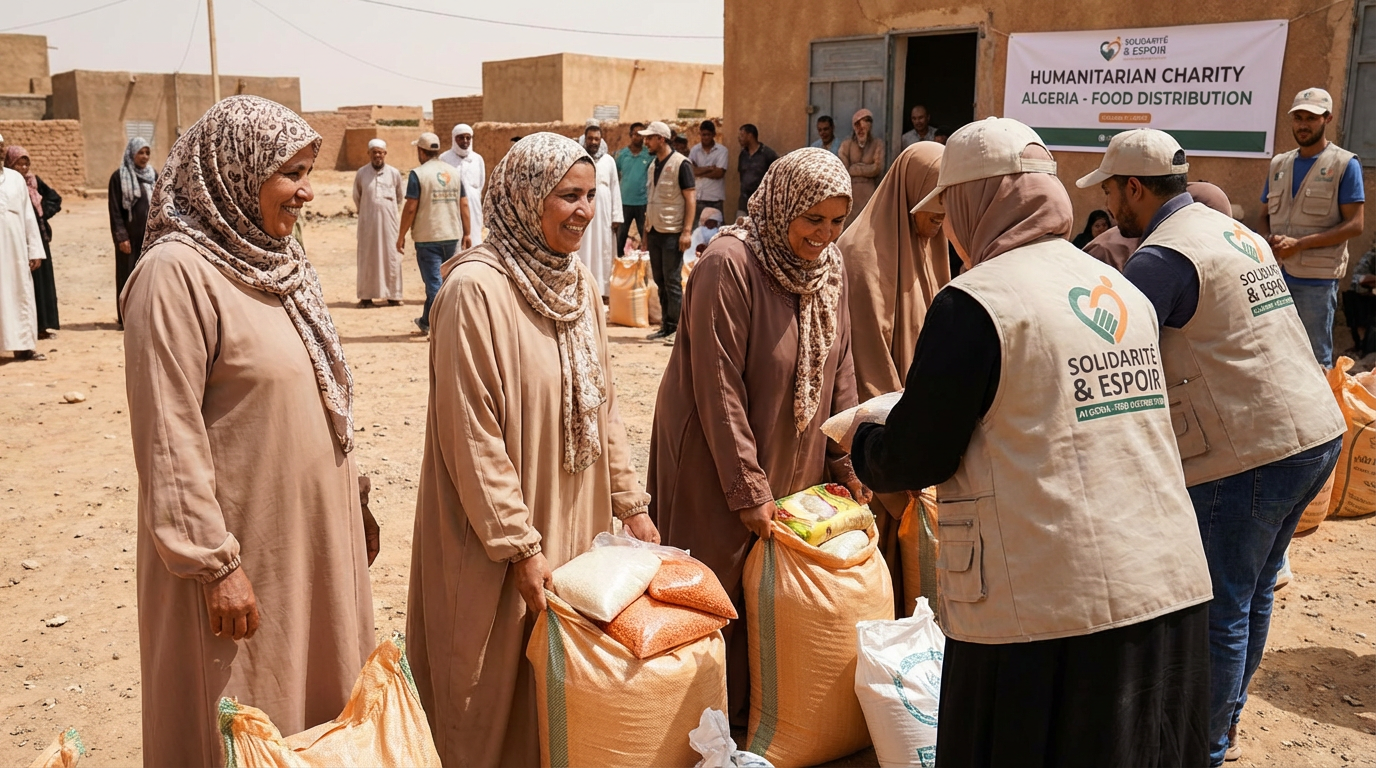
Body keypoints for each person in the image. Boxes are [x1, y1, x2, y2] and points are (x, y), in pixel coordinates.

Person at [851, 118, 1214, 766]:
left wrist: (865, 441)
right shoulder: (1116, 287)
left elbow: (918, 454)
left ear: (974, 202)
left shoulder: (976, 302)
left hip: (1046, 619)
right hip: (1166, 589)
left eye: (951, 212)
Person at [121, 95, 377, 767]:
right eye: (290, 174)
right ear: (234, 171)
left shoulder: (279, 265)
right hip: (241, 559)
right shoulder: (174, 276)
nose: (307, 192)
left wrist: (355, 497)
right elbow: (168, 437)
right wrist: (215, 563)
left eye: (307, 172)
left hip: (309, 544)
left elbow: (321, 389)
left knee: (315, 718)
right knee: (241, 716)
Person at [1079, 128, 1345, 768]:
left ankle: (1207, 747)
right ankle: (1223, 722)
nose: (1109, 202)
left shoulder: (1163, 258)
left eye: (1111, 189)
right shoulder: (1235, 233)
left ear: (1134, 188)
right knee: (1252, 594)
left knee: (1221, 607)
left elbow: (1116, 353)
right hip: (1313, 432)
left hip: (1249, 452)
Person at [405, 133, 656, 767]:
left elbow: (605, 403)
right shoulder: (474, 291)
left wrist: (630, 503)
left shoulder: (576, 284)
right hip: (494, 533)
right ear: (523, 199)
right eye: (567, 196)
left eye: (590, 195)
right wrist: (518, 544)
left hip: (576, 513)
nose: (584, 210)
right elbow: (472, 433)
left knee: (561, 680)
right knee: (487, 686)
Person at [649, 147, 869, 719]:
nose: (824, 233)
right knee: (717, 592)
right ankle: (711, 726)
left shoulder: (829, 269)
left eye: (836, 220)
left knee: (774, 595)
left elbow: (839, 366)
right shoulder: (730, 264)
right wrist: (748, 487)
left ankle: (768, 723)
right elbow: (717, 386)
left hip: (794, 461)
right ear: (781, 207)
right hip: (717, 463)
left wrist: (848, 460)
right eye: (812, 218)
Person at [835, 141, 949, 616]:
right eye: (936, 210)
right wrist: (902, 452)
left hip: (919, 431)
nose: (942, 221)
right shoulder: (863, 256)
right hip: (883, 438)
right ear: (912, 195)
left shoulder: (928, 244)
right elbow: (867, 366)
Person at [1258, 88, 1365, 368]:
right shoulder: (1278, 164)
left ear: (1327, 119)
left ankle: (1322, 412)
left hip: (1316, 281)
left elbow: (1356, 225)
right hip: (1275, 276)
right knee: (1275, 355)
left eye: (1311, 118)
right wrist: (1267, 240)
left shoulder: (1344, 164)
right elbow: (1263, 215)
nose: (1303, 124)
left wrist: (1300, 244)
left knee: (1315, 360)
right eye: (1298, 118)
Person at [398, 131, 471, 337]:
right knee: (448, 281)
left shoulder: (418, 174)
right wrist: (467, 233)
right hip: (452, 234)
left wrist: (401, 235)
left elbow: (411, 207)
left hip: (428, 237)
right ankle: (426, 321)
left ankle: (444, 328)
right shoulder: (453, 172)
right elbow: (463, 204)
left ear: (421, 151)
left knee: (434, 284)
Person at [641, 120, 696, 343]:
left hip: (673, 231)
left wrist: (687, 231)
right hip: (654, 230)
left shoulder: (682, 164)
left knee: (673, 281)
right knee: (661, 281)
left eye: (649, 138)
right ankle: (666, 325)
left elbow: (690, 199)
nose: (646, 142)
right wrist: (645, 232)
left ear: (661, 139)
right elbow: (651, 200)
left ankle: (680, 329)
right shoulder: (653, 165)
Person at [4, 146, 61, 338]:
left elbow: (55, 198)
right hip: (15, 242)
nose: (24, 166)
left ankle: (43, 326)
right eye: (19, 162)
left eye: (26, 162)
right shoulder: (8, 182)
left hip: (38, 240)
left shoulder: (33, 182)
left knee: (42, 283)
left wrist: (42, 212)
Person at [0, 148, 45, 361]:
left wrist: (34, 249)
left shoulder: (15, 179)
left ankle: (24, 347)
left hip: (16, 250)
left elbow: (29, 216)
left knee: (19, 294)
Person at [108, 136, 156, 329]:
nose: (144, 157)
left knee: (148, 277)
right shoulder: (119, 177)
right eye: (140, 152)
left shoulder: (154, 175)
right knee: (127, 276)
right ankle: (126, 318)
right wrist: (121, 237)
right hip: (129, 239)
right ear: (131, 154)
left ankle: (146, 316)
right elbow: (115, 211)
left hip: (149, 238)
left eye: (147, 152)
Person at [352, 138, 405, 308]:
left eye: (380, 152)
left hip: (389, 224)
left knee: (392, 256)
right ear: (369, 154)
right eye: (374, 152)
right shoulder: (361, 173)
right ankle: (366, 297)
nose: (377, 155)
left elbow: (399, 197)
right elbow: (357, 197)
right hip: (367, 223)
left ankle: (393, 296)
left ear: (385, 154)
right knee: (367, 258)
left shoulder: (394, 173)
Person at [573, 124, 623, 297]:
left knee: (604, 248)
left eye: (596, 138)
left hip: (604, 214)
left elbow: (615, 187)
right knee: (584, 247)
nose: (593, 142)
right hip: (584, 208)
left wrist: (616, 215)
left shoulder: (609, 161)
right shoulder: (579, 158)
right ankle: (583, 287)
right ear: (584, 139)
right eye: (590, 138)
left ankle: (603, 292)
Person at [440, 123, 486, 246]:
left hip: (473, 206)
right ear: (454, 138)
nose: (465, 141)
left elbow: (480, 184)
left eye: (468, 137)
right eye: (461, 137)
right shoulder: (444, 159)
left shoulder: (477, 159)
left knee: (474, 239)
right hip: (451, 205)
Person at [839, 109, 885, 225]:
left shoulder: (877, 144)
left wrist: (855, 168)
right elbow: (844, 169)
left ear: (869, 127)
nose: (860, 130)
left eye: (864, 127)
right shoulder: (846, 145)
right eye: (857, 125)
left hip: (870, 193)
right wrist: (865, 168)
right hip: (851, 193)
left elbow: (877, 169)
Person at [615, 121, 654, 257]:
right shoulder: (621, 155)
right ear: (630, 135)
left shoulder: (649, 155)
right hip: (624, 202)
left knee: (645, 238)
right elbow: (615, 175)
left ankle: (645, 267)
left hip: (642, 202)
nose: (639, 138)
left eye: (641, 135)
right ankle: (618, 265)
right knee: (620, 237)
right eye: (636, 134)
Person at [689, 120, 729, 228]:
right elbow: (690, 171)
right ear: (700, 134)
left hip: (714, 199)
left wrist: (699, 171)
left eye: (708, 135)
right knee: (696, 232)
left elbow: (719, 173)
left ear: (714, 135)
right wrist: (709, 168)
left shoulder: (722, 151)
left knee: (716, 231)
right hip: (698, 199)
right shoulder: (695, 150)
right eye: (703, 134)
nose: (705, 137)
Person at [736, 124, 778, 221]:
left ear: (750, 136)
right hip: (744, 200)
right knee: (740, 228)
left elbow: (776, 175)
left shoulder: (767, 154)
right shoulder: (743, 155)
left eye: (742, 135)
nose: (739, 139)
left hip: (762, 201)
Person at [1345, 244, 1376, 356]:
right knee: (1351, 297)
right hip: (1370, 300)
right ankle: (1360, 344)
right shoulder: (1372, 257)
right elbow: (1358, 278)